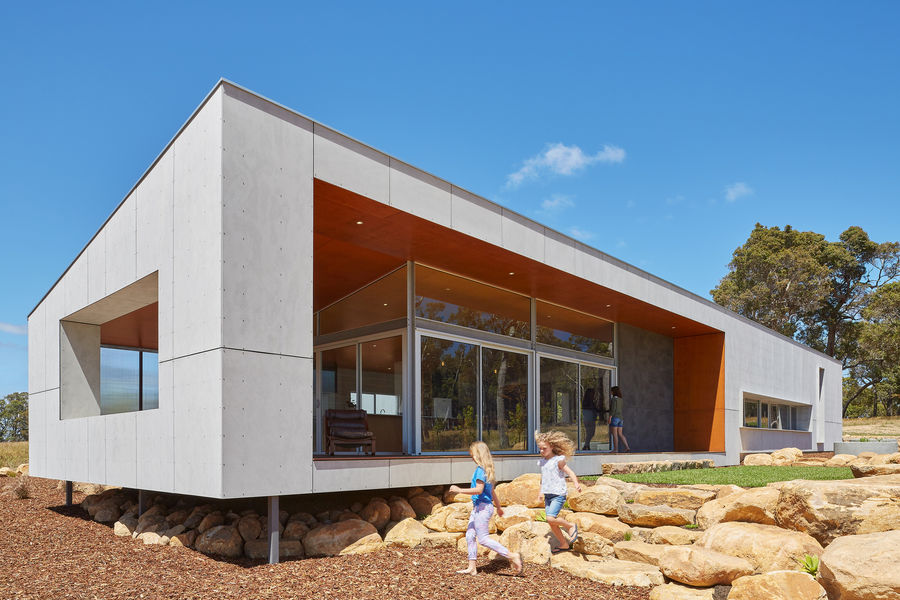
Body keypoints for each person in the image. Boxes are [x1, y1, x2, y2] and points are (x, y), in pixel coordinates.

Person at [449, 441, 523, 576]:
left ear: (477, 455)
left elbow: (479, 490)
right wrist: (499, 507)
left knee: (483, 539)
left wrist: (459, 490)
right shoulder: (488, 471)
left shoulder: (480, 471)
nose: (471, 456)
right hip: (480, 507)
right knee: (470, 535)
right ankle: (472, 567)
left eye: (472, 454)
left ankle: (512, 556)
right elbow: (492, 492)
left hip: (482, 509)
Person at [534, 430, 583, 553]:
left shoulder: (558, 460)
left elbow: (570, 472)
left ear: (552, 446)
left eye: (544, 448)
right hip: (548, 495)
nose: (541, 451)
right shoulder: (543, 462)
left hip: (558, 494)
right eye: (540, 449)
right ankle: (563, 543)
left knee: (550, 518)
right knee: (551, 522)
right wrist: (540, 492)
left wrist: (576, 483)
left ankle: (570, 526)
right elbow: (543, 479)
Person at [608, 386, 631, 453]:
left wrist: (610, 417)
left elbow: (613, 409)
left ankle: (615, 449)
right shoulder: (621, 399)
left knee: (614, 434)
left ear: (613, 392)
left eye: (611, 391)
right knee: (620, 434)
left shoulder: (613, 399)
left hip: (615, 418)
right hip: (621, 418)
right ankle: (627, 447)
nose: (611, 392)